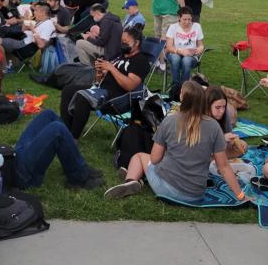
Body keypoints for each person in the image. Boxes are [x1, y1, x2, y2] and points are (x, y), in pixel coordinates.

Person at [104, 81, 245, 203]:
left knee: (140, 156)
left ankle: (131, 180)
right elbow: (224, 167)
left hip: (167, 189)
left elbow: (154, 159)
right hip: (195, 195)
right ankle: (138, 177)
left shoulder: (169, 121)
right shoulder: (214, 126)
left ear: (181, 97)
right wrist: (241, 196)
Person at [60, 28, 151, 139]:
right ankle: (66, 129)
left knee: (82, 97)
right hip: (103, 90)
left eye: (126, 42)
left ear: (137, 43)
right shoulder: (121, 56)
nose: (122, 44)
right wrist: (100, 73)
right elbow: (100, 81)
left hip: (119, 98)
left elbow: (130, 85)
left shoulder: (140, 61)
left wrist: (111, 68)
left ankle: (73, 138)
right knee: (68, 90)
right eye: (122, 41)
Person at [14, 109, 105, 190]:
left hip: (14, 154)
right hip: (19, 172)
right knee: (58, 129)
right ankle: (79, 178)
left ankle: (75, 163)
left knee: (48, 114)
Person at [164, 6, 205, 89]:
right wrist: (181, 52)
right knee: (176, 58)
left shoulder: (197, 26)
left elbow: (201, 45)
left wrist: (200, 49)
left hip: (191, 56)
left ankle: (184, 86)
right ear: (179, 18)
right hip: (175, 52)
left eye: (189, 19)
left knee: (186, 60)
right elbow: (169, 47)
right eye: (184, 19)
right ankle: (176, 86)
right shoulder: (173, 27)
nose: (187, 22)